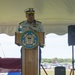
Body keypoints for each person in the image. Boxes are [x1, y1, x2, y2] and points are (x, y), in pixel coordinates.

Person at [18, 8, 45, 75]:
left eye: (32, 15)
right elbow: (18, 35)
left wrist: (34, 31)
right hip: (25, 48)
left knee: (37, 66)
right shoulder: (21, 24)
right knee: (23, 66)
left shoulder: (39, 24)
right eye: (29, 15)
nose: (31, 16)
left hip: (36, 48)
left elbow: (43, 35)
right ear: (26, 16)